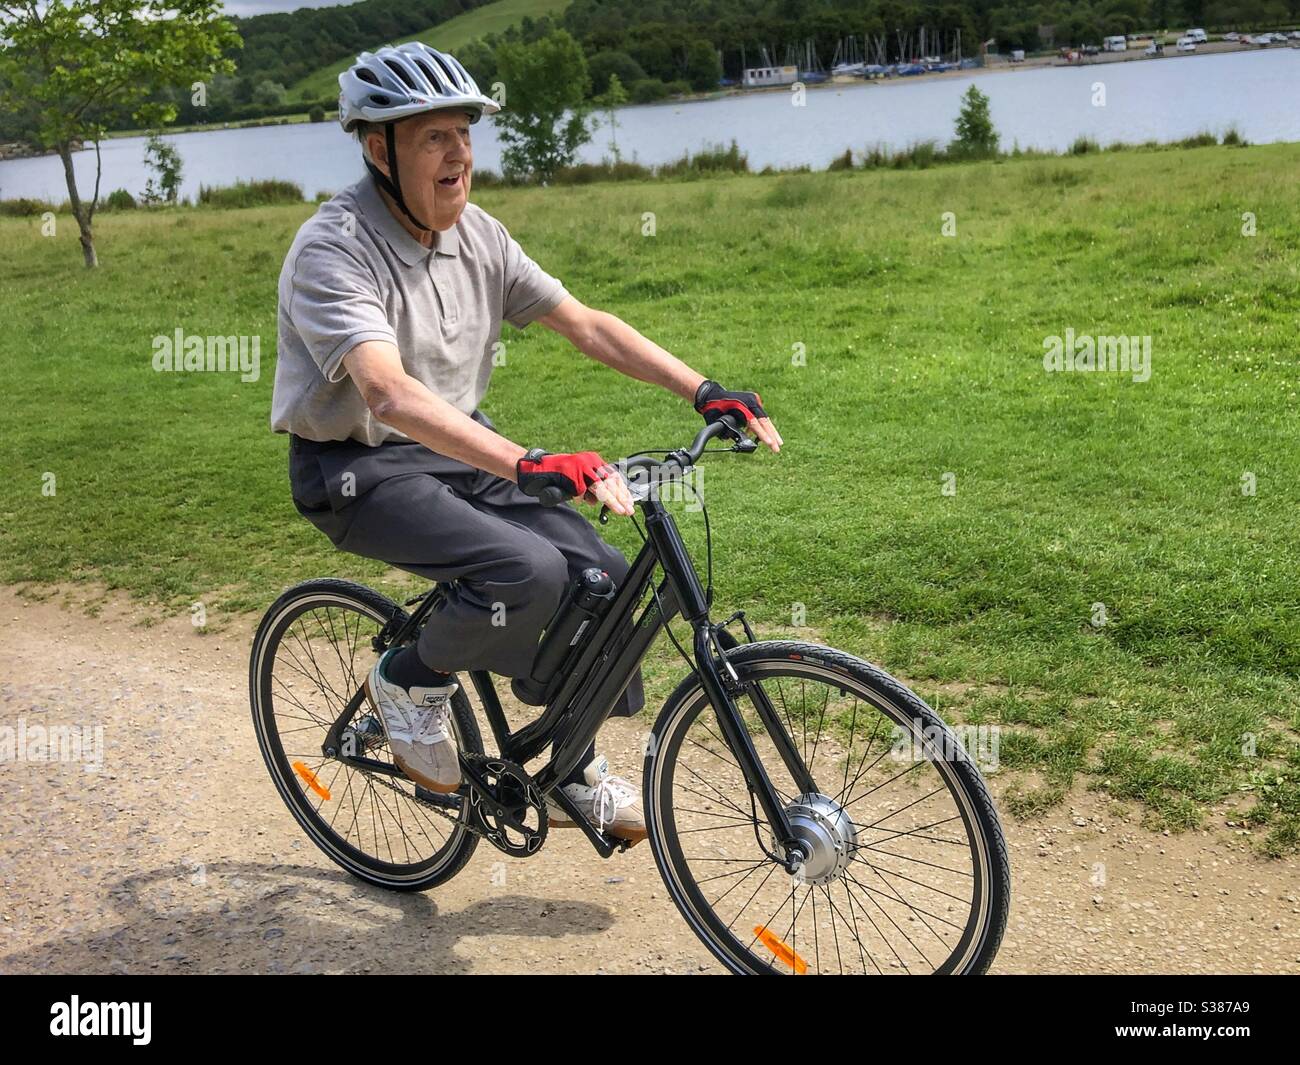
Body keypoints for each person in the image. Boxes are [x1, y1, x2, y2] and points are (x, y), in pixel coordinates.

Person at [270, 42, 782, 845]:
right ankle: (406, 681)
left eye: (463, 134)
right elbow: (387, 392)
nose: (459, 154)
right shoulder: (334, 249)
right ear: (379, 149)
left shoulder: (479, 235)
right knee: (525, 569)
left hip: (456, 448)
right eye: (433, 137)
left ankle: (569, 759)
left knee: (606, 575)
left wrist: (701, 387)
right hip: (355, 466)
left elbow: (583, 324)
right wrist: (527, 462)